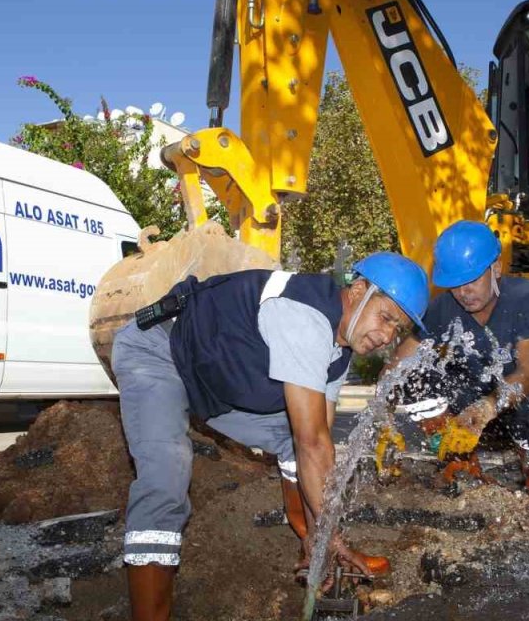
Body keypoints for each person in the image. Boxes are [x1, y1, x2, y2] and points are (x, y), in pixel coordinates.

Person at [112, 252, 430, 621]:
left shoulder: (338, 349)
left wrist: (323, 533)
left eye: (398, 329)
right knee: (165, 481)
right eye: (386, 317)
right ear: (358, 290)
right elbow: (312, 444)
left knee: (294, 434)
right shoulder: (304, 315)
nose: (388, 336)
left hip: (213, 379)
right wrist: (336, 537)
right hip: (159, 353)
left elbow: (317, 440)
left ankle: (308, 541)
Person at [390, 220, 529, 502]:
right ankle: (460, 460)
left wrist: (488, 406)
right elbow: (398, 364)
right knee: (411, 378)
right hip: (475, 398)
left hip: (528, 398)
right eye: (454, 285)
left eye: (472, 280)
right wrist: (384, 417)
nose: (463, 292)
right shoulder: (443, 308)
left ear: (497, 269)